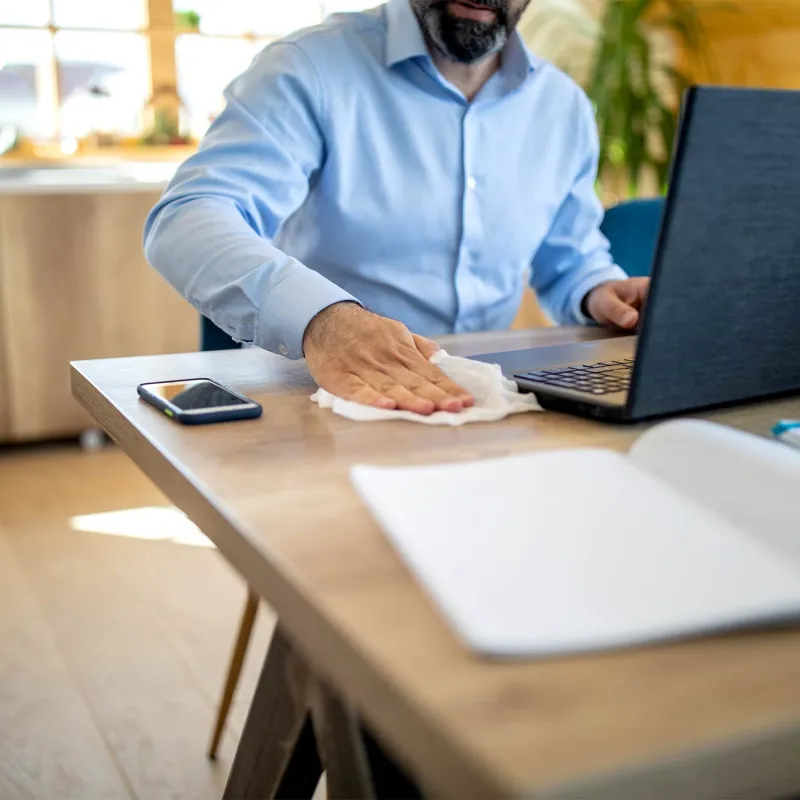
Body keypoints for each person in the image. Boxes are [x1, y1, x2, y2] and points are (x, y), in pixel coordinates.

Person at [144, 0, 649, 416]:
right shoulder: (307, 67)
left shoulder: (564, 108)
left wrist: (597, 289)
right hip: (323, 401)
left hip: (485, 401)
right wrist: (324, 319)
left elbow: (569, 256)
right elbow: (188, 216)